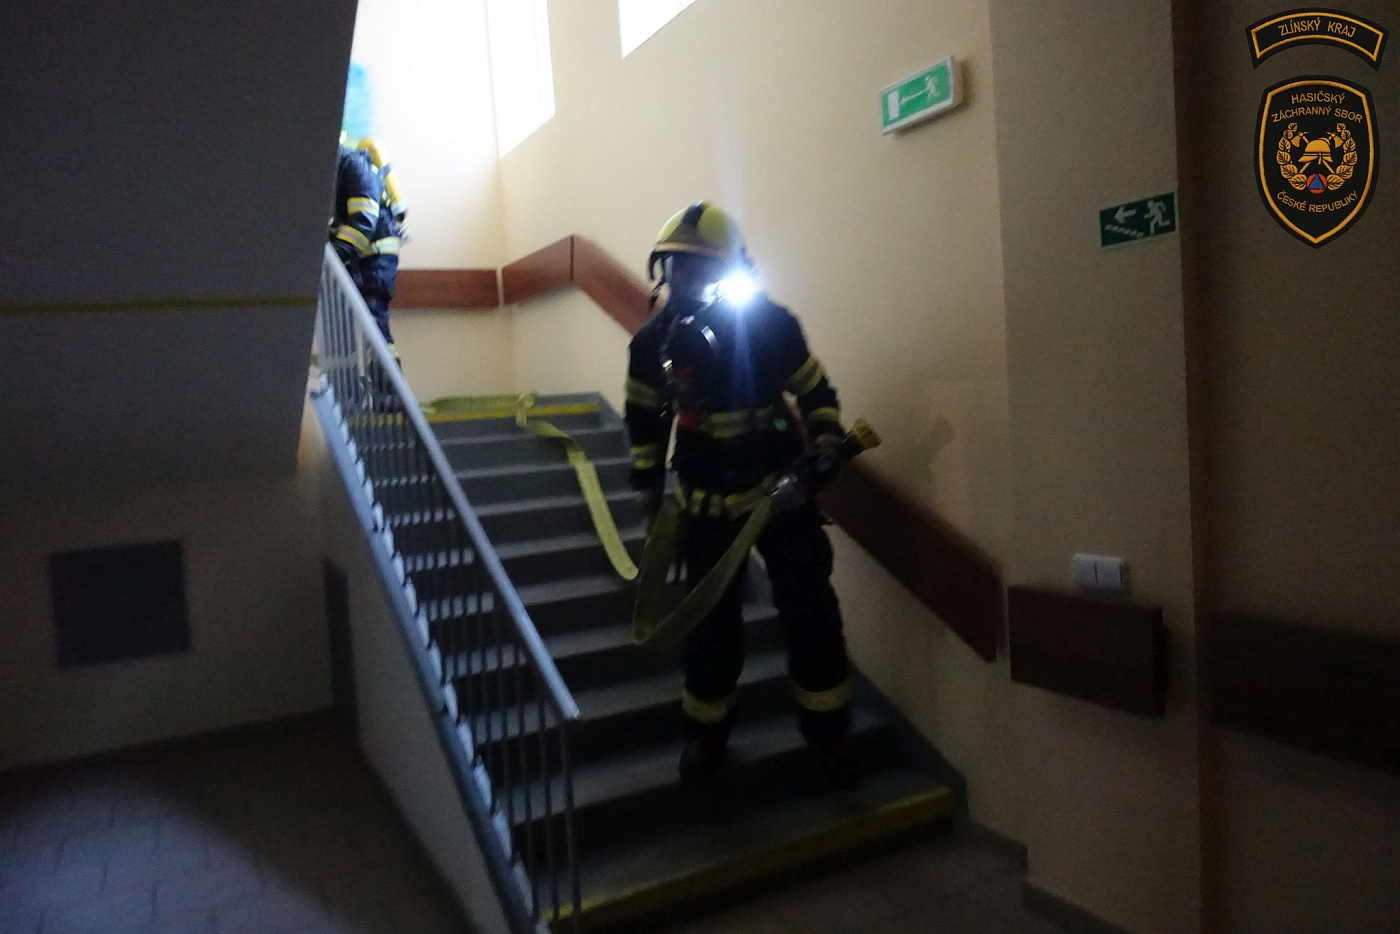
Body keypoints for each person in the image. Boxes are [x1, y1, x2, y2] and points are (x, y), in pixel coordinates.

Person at [624, 201, 859, 789]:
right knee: (709, 626)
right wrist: (647, 490)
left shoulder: (770, 325)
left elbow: (816, 392)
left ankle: (830, 736)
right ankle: (707, 735)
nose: (687, 278)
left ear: (732, 269)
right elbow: (644, 422)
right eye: (676, 266)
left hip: (782, 499)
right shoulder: (651, 345)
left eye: (701, 266)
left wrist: (826, 438)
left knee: (810, 613)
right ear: (662, 271)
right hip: (704, 509)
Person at [330, 140, 402, 347]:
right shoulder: (338, 171)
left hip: (374, 261)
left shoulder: (355, 167)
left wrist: (331, 258)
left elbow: (362, 224)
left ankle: (385, 370)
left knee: (374, 328)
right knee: (345, 334)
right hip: (358, 260)